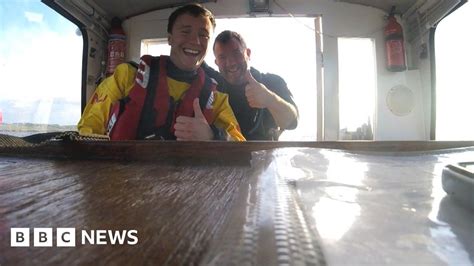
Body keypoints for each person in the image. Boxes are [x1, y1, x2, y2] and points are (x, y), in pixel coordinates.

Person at [77, 4, 245, 141]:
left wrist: (213, 135)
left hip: (187, 181)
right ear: (170, 38)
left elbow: (241, 149)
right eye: (185, 31)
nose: (195, 41)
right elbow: (87, 132)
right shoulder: (126, 77)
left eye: (204, 35)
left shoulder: (216, 99)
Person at [203, 30, 298, 140]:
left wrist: (270, 99)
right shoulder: (213, 86)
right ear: (216, 62)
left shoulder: (272, 81)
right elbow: (194, 60)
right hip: (224, 154)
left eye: (236, 54)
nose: (231, 62)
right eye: (222, 57)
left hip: (264, 155)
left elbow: (292, 123)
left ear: (248, 53)